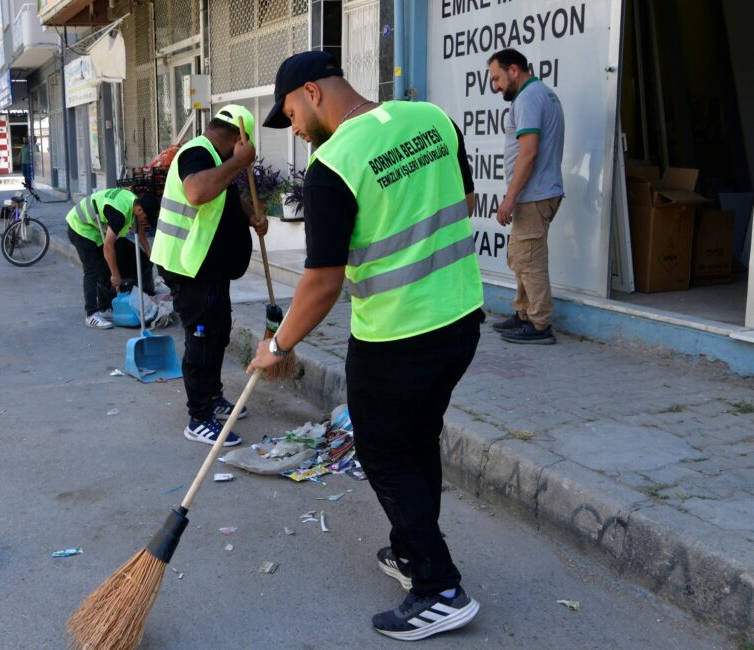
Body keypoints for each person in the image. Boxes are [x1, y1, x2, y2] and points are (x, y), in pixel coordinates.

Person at [248, 51, 483, 641]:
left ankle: (439, 588)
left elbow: (322, 282)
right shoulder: (432, 119)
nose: (294, 131)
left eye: (290, 115)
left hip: (395, 338)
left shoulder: (334, 166)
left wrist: (278, 344)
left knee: (383, 454)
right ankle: (411, 551)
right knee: (418, 440)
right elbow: (467, 203)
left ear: (312, 92)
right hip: (460, 320)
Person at [150, 104, 268, 448]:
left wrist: (252, 216)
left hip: (209, 268)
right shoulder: (197, 153)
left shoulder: (217, 160)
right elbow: (197, 192)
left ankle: (213, 396)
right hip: (188, 268)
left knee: (218, 332)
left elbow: (226, 195)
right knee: (202, 340)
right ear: (238, 138)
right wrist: (238, 162)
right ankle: (199, 418)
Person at [488, 48, 565, 345]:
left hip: (534, 195)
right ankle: (523, 314)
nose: (496, 87)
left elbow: (529, 153)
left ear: (514, 70)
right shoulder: (539, 94)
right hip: (533, 194)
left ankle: (540, 324)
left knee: (530, 261)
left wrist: (509, 198)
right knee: (520, 256)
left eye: (497, 79)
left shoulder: (529, 97)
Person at [65, 188, 157, 328]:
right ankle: (91, 314)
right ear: (139, 210)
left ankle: (104, 308)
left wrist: (149, 252)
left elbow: (139, 229)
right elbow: (108, 247)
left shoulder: (133, 202)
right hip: (79, 226)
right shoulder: (119, 215)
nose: (145, 222)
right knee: (92, 269)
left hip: (93, 227)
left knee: (104, 266)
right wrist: (115, 275)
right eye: (145, 219)